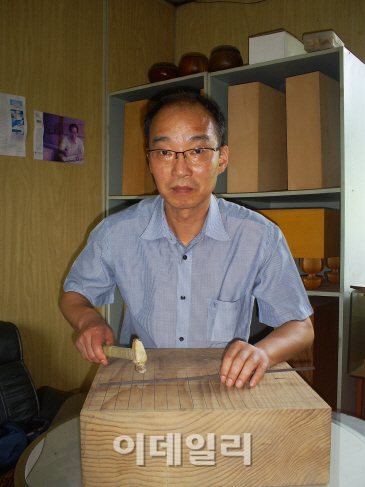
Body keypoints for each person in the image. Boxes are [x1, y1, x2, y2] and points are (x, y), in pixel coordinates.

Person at [61, 91, 314, 388]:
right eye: (165, 152)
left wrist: (263, 353)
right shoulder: (116, 233)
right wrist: (89, 322)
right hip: (142, 386)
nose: (180, 170)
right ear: (150, 160)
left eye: (197, 151)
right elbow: (74, 295)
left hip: (221, 389)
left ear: (222, 159)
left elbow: (301, 326)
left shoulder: (259, 236)